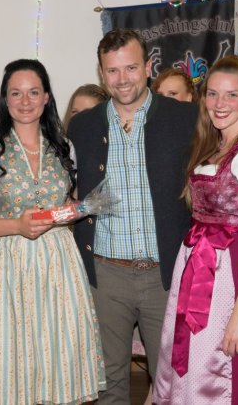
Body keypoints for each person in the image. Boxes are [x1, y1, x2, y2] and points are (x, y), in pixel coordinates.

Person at [0, 58, 105, 404]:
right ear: (5, 99)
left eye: (33, 92)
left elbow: (64, 205)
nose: (25, 101)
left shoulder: (63, 147)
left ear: (47, 97)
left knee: (59, 358)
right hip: (10, 265)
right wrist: (16, 225)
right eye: (16, 93)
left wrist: (79, 208)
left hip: (60, 265)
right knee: (12, 362)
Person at [67, 28, 198, 404]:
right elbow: (69, 189)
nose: (122, 79)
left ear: (148, 67)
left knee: (171, 381)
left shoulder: (186, 118)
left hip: (166, 274)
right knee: (107, 381)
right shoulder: (83, 126)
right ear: (101, 73)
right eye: (112, 70)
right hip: (106, 274)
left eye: (130, 68)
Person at [153, 55, 238, 404]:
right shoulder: (211, 146)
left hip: (230, 271)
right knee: (190, 359)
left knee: (216, 369)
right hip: (196, 265)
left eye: (231, 95)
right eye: (212, 94)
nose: (219, 103)